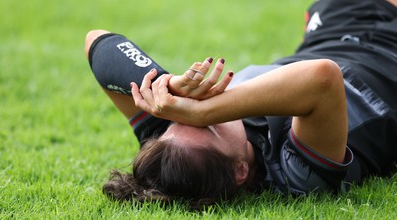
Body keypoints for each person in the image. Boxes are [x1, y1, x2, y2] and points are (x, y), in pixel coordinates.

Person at [85, 0, 397, 209]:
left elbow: (97, 42)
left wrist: (169, 85)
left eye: (182, 119)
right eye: (208, 125)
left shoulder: (171, 144)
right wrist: (203, 111)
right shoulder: (295, 176)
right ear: (240, 171)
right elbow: (322, 78)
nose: (189, 111)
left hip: (330, 35)